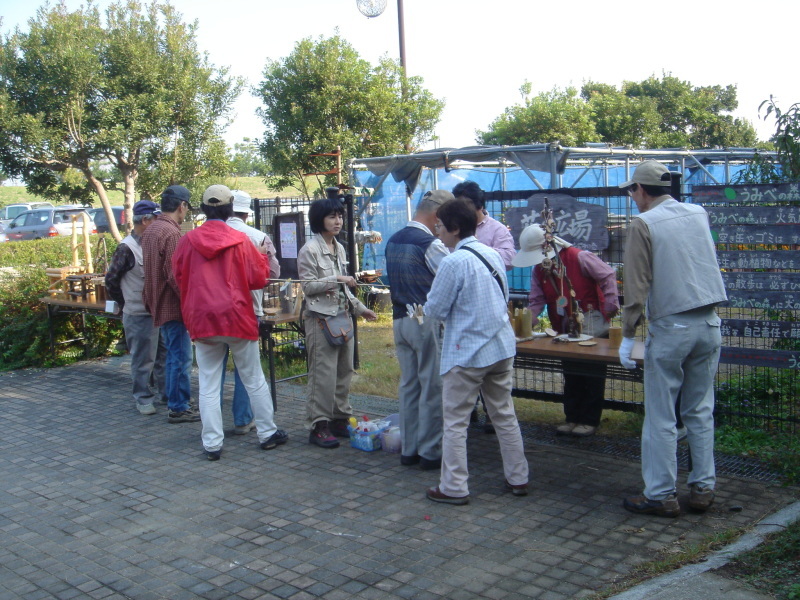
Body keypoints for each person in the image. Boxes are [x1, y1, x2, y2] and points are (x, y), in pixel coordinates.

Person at [619, 160, 726, 517]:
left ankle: (661, 494)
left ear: (642, 191)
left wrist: (628, 333)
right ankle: (702, 489)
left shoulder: (643, 223)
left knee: (662, 416)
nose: (632, 197)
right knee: (699, 410)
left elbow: (636, 286)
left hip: (671, 327)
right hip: (709, 323)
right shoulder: (698, 213)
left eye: (632, 190)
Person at [423, 198, 529, 505]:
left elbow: (436, 309)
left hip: (467, 351)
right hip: (501, 346)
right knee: (504, 414)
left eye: (440, 226)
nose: (437, 231)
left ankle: (454, 486)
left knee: (455, 420)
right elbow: (503, 295)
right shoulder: (491, 254)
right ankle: (518, 478)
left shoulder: (453, 261)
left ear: (455, 228)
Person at [172, 184, 287, 461]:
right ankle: (267, 433)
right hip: (236, 317)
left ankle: (212, 444)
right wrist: (261, 255)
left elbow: (177, 277)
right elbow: (258, 280)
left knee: (209, 383)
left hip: (202, 319)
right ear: (229, 208)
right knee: (253, 378)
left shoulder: (187, 241)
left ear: (203, 208)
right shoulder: (241, 240)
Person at [512, 224, 620, 437]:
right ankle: (572, 417)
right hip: (562, 327)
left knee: (591, 375)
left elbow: (607, 276)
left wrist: (610, 306)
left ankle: (589, 420)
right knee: (571, 374)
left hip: (592, 323)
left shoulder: (580, 257)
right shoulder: (539, 269)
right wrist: (526, 325)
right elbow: (536, 301)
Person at [298, 193, 377, 449]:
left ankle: (339, 418)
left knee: (344, 371)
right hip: (320, 319)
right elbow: (308, 287)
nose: (338, 221)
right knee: (323, 375)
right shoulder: (309, 250)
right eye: (332, 216)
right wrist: (337, 279)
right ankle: (318, 424)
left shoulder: (339, 247)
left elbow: (346, 289)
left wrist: (361, 308)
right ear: (319, 220)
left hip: (342, 316)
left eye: (340, 216)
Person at [384, 189, 452, 470]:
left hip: (399, 321)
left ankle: (409, 449)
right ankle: (431, 452)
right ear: (437, 216)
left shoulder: (393, 240)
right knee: (432, 386)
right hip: (426, 322)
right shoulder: (430, 244)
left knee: (409, 385)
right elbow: (449, 281)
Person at [452, 181, 516, 433]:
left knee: (489, 360)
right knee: (465, 361)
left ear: (478, 204)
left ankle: (493, 413)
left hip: (489, 305)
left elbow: (509, 258)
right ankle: (470, 411)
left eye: (463, 203)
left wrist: (476, 254)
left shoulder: (496, 229)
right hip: (462, 306)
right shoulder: (453, 227)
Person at [217, 190, 281, 435]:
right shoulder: (257, 237)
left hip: (213, 312)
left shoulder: (206, 236)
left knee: (214, 372)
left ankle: (212, 426)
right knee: (247, 370)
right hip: (247, 309)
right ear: (246, 213)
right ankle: (243, 419)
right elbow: (272, 275)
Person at [141, 185, 199, 424]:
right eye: (187, 208)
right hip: (173, 306)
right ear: (181, 206)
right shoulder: (172, 233)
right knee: (180, 357)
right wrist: (192, 300)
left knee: (172, 355)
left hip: (157, 302)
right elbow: (175, 275)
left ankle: (174, 397)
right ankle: (178, 406)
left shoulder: (152, 229)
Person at [104, 199, 167, 415]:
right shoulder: (126, 248)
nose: (159, 222)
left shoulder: (154, 243)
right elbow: (111, 280)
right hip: (138, 313)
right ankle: (143, 398)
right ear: (145, 220)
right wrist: (125, 303)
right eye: (156, 218)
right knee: (143, 359)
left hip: (159, 312)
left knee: (163, 357)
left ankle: (166, 395)